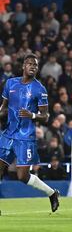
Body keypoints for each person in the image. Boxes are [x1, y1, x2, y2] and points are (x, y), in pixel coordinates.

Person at [0, 53, 59, 212]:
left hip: (26, 137)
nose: (33, 67)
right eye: (30, 64)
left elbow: (46, 117)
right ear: (23, 66)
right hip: (8, 133)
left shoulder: (39, 89)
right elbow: (3, 107)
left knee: (22, 176)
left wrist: (32, 115)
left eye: (35, 65)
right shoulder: (11, 83)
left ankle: (52, 193)